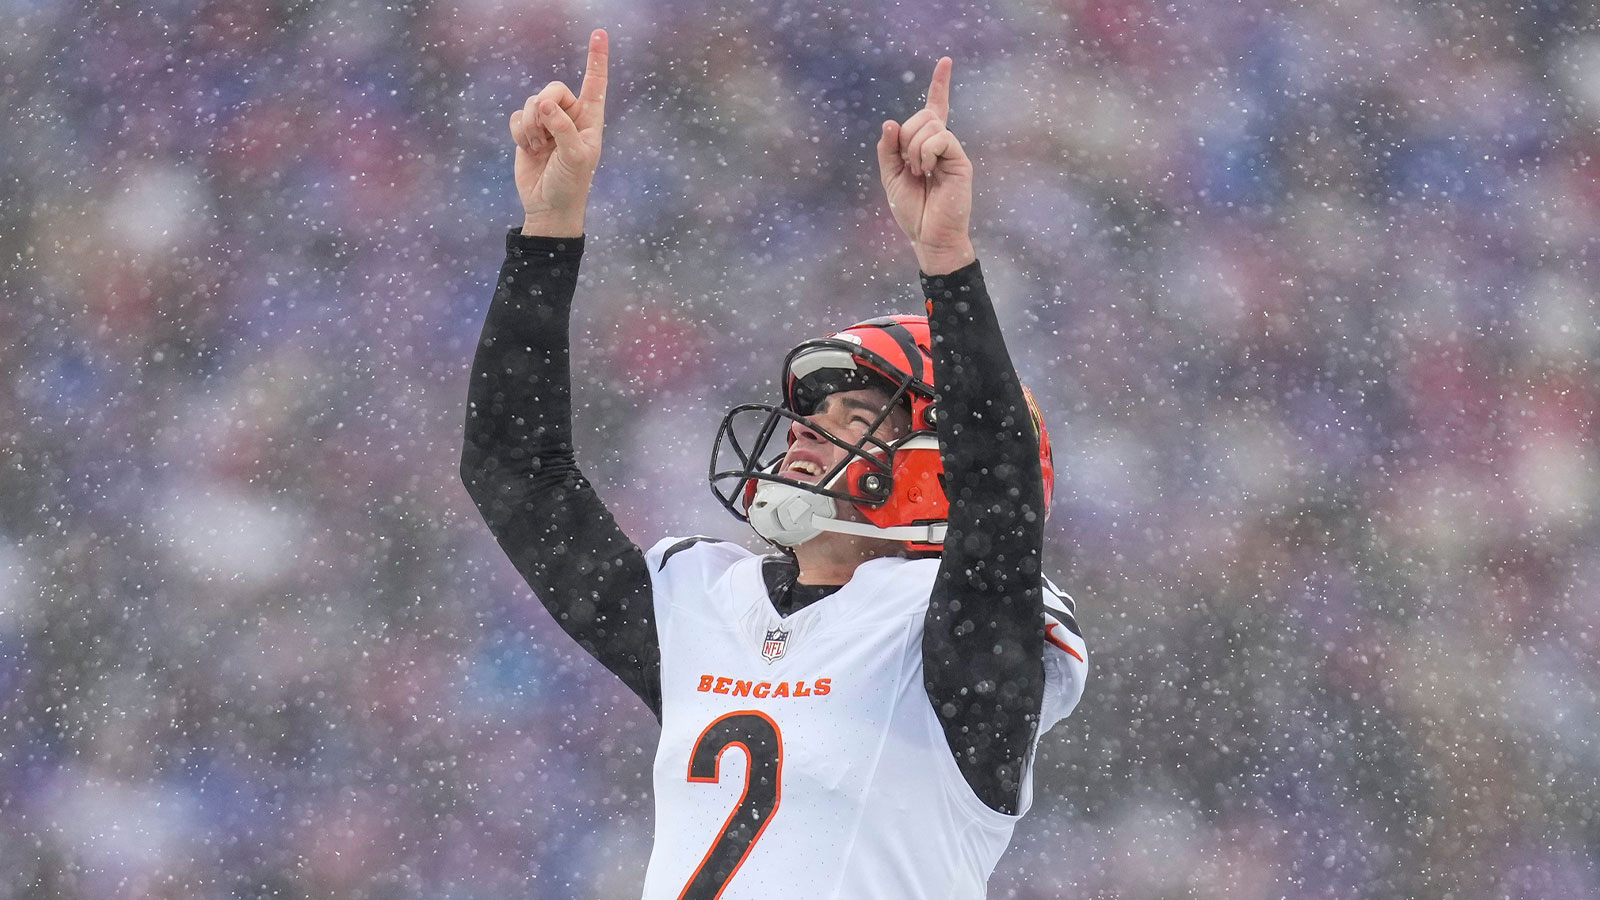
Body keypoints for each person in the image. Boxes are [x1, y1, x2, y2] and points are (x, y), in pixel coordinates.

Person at [461, 28, 1088, 900]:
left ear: (931, 464)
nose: (804, 432)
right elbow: (513, 470)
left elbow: (999, 496)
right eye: (809, 413)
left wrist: (946, 262)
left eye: (854, 416)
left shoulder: (949, 644)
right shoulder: (704, 605)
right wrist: (548, 228)